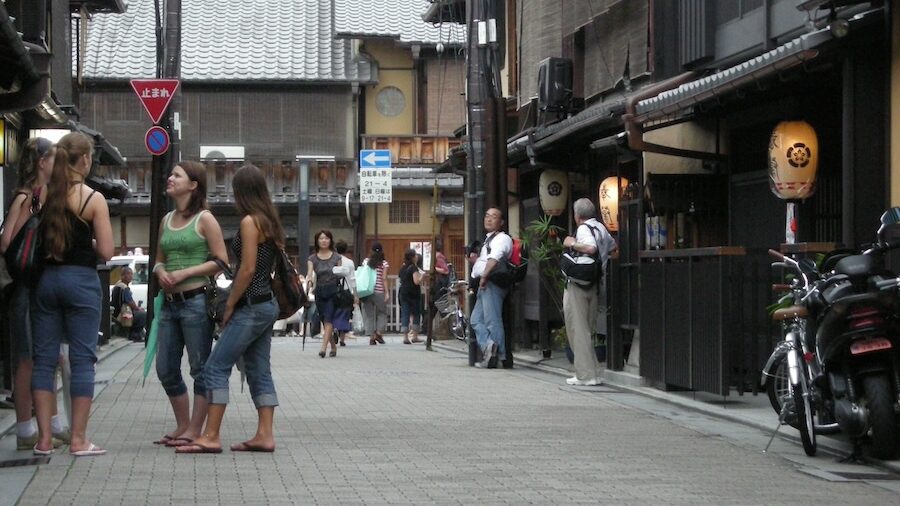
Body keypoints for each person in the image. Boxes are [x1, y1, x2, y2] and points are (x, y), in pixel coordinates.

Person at [177, 164, 284, 454]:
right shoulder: (270, 220)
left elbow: (247, 269)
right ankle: (265, 435)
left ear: (242, 192)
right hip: (267, 305)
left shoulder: (251, 222)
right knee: (259, 369)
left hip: (251, 306)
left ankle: (211, 435)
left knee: (215, 366)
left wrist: (231, 305)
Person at [29, 132, 113, 456]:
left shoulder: (43, 195)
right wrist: (86, 242)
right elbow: (105, 250)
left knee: (44, 360)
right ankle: (78, 440)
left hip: (47, 281)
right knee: (82, 361)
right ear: (86, 160)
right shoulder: (93, 200)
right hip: (80, 282)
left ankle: (44, 440)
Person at [152, 161, 228, 448]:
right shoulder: (166, 219)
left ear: (193, 184)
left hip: (196, 301)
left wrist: (185, 272)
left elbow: (221, 261)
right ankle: (183, 424)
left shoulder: (205, 219)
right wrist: (161, 272)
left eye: (177, 175)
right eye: (170, 173)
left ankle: (195, 429)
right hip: (170, 304)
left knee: (199, 368)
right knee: (166, 368)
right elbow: (159, 258)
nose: (170, 178)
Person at [0, 137, 69, 451]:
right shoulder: (27, 197)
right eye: (53, 158)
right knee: (29, 360)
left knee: (42, 358)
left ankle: (46, 424)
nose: (57, 165)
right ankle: (27, 428)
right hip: (27, 287)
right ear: (42, 162)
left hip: (33, 287)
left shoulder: (38, 195)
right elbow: (6, 242)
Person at [562, 198, 616, 386]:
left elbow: (591, 247)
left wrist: (571, 243)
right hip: (594, 284)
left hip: (578, 285)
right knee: (587, 329)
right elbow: (613, 248)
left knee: (578, 329)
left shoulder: (584, 229)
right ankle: (592, 371)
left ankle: (586, 375)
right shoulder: (601, 228)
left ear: (577, 216)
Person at [470, 207, 512, 368]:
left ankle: (499, 357)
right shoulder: (489, 239)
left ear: (501, 222)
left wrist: (484, 276)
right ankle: (489, 346)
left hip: (491, 283)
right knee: (476, 320)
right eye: (487, 216)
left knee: (492, 320)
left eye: (494, 217)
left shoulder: (502, 238)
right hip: (485, 283)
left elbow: (494, 258)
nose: (489, 219)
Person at [308, 230, 343, 358]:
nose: (324, 241)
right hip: (319, 291)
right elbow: (310, 273)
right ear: (317, 241)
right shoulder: (312, 258)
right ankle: (333, 346)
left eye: (326, 238)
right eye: (321, 238)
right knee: (324, 320)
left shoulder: (336, 257)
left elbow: (341, 274)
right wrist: (309, 280)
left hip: (333, 290)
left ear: (330, 240)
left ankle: (323, 348)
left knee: (328, 318)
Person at [361, 242, 389, 345]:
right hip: (379, 291)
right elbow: (384, 278)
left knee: (369, 315)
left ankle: (371, 337)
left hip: (367, 290)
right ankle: (378, 332)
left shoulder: (366, 261)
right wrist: (387, 293)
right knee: (382, 313)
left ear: (371, 251)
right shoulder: (384, 263)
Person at [332, 239, 357, 346]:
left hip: (334, 291)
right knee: (345, 314)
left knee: (334, 313)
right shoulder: (350, 262)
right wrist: (355, 294)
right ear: (346, 250)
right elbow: (353, 279)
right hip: (346, 292)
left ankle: (334, 330)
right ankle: (342, 340)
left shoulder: (331, 260)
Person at [111, 266, 147, 342]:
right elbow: (130, 302)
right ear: (123, 276)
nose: (130, 276)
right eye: (128, 274)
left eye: (131, 274)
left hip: (116, 313)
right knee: (143, 315)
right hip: (122, 314)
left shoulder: (118, 285)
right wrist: (138, 308)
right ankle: (135, 334)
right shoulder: (124, 288)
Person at [398, 249, 424, 344]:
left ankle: (405, 337)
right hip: (413, 294)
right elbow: (416, 281)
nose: (417, 257)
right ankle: (415, 336)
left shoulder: (403, 267)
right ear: (413, 257)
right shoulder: (413, 268)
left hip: (403, 293)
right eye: (415, 255)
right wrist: (422, 276)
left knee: (405, 314)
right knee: (416, 314)